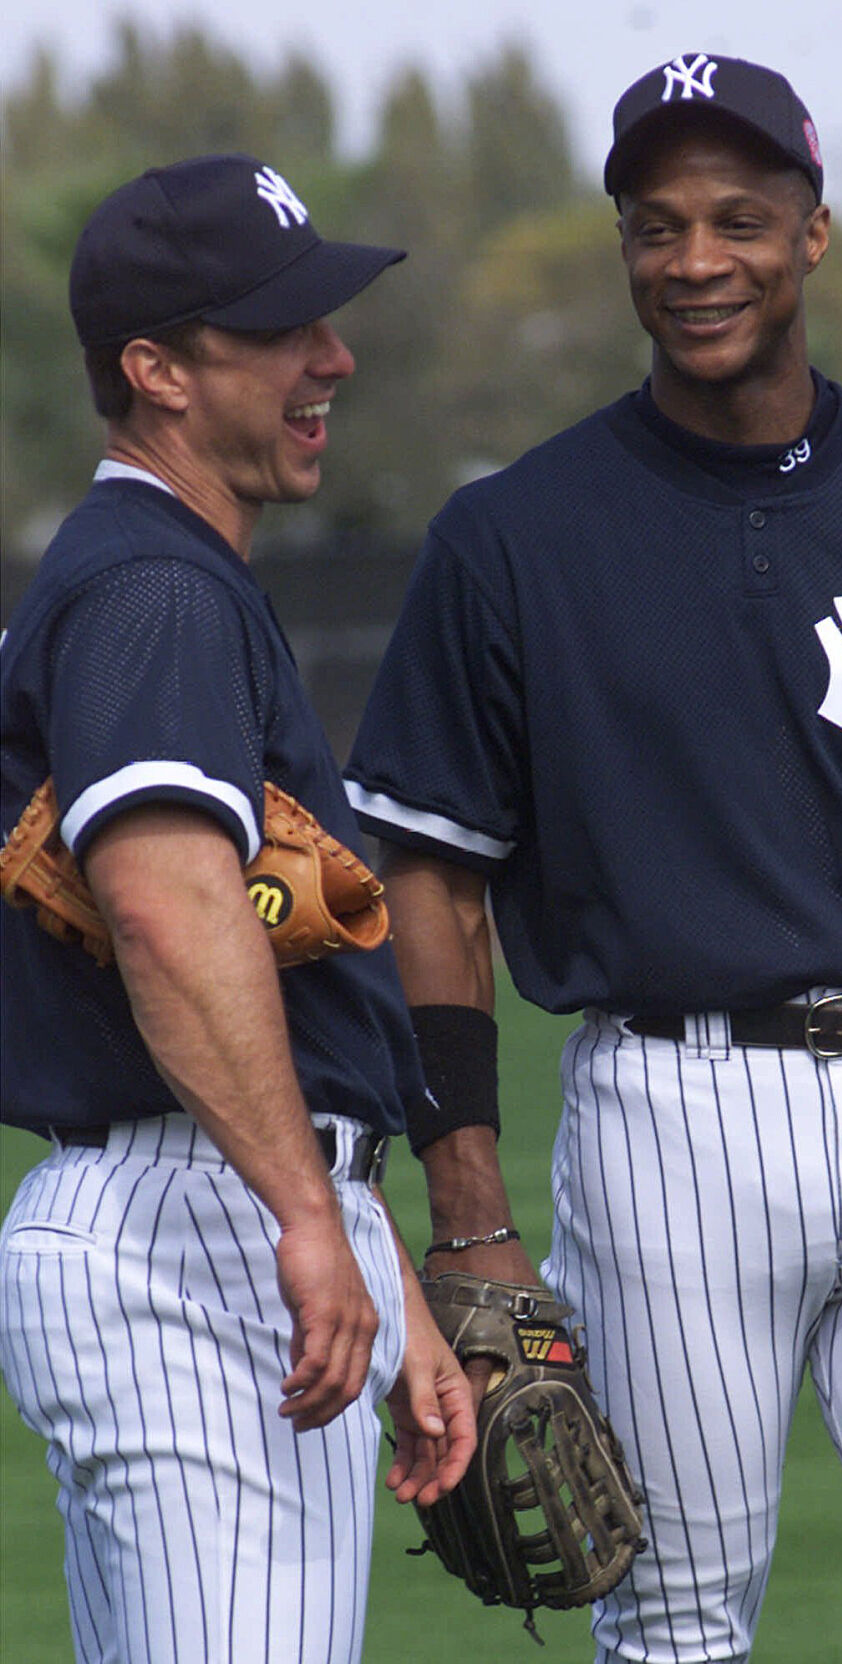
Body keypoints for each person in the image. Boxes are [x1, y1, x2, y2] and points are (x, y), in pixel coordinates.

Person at [345, 55, 842, 1664]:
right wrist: (469, 1213)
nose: (696, 259)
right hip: (670, 1117)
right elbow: (431, 886)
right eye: (655, 227)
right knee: (671, 1628)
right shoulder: (511, 540)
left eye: (736, 219)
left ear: (812, 233)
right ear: (625, 250)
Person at [0, 154, 475, 1664]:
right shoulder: (154, 591)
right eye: (278, 330)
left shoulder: (159, 578)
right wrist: (299, 1214)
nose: (329, 355)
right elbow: (167, 912)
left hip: (197, 1207)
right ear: (155, 372)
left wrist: (368, 1250)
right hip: (190, 1234)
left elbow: (260, 966)